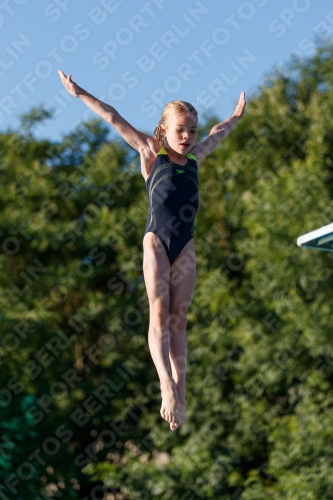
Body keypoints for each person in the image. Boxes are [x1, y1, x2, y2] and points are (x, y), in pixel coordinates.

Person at [58, 69, 246, 431]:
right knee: (159, 312)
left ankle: (181, 395)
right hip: (157, 240)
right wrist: (79, 92)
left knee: (179, 317)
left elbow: (216, 134)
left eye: (192, 129)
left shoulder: (194, 158)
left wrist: (235, 118)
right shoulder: (150, 152)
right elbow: (112, 116)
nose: (189, 136)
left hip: (185, 245)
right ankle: (166, 386)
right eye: (181, 130)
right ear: (164, 130)